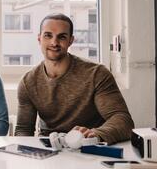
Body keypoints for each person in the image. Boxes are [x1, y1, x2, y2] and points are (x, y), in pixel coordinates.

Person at [15, 13, 134, 145]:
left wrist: (95, 134)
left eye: (62, 37)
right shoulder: (28, 82)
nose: (54, 42)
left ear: (71, 41)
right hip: (50, 149)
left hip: (89, 146)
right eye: (48, 35)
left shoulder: (96, 74)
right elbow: (23, 130)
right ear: (39, 39)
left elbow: (123, 120)